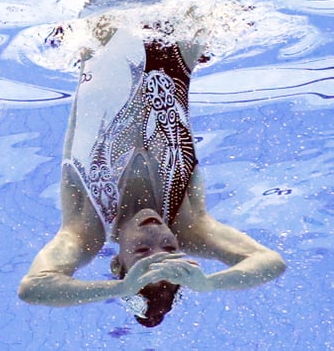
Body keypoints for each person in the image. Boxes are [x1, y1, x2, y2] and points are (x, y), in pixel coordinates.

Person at [17, 24, 285, 325]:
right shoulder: (189, 225)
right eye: (170, 248)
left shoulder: (86, 228)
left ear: (118, 263)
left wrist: (122, 289)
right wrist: (209, 283)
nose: (157, 234)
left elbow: (34, 288)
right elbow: (271, 263)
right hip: (178, 37)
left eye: (143, 250)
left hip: (103, 34)